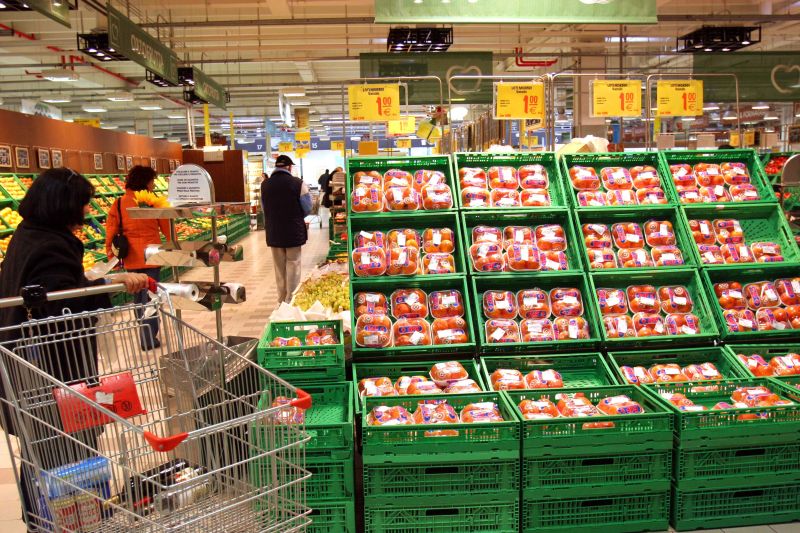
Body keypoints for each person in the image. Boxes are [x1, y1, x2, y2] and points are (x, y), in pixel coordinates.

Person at [0, 168, 148, 529]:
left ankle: (41, 519)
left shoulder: (28, 235)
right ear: (63, 205)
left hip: (23, 368)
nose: (86, 211)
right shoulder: (51, 246)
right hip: (50, 371)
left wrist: (96, 281)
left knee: (42, 449)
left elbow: (55, 292)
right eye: (82, 203)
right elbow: (62, 312)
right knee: (67, 449)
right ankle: (70, 522)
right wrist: (106, 288)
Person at [105, 165, 171, 350]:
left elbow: (110, 232)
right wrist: (173, 246)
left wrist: (111, 256)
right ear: (146, 182)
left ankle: (145, 333)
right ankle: (149, 337)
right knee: (151, 296)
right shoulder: (153, 202)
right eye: (152, 181)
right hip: (152, 256)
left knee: (138, 297)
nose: (153, 185)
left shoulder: (119, 203)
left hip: (131, 258)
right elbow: (168, 228)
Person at [262, 155, 312, 303]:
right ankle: (291, 299)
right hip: (293, 231)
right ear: (289, 167)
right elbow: (308, 208)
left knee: (279, 267)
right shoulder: (298, 184)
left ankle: (281, 299)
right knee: (293, 264)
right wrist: (296, 216)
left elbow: (264, 209)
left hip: (274, 231)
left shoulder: (265, 185)